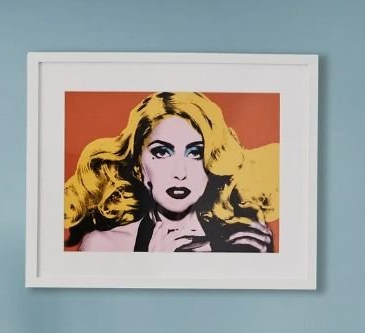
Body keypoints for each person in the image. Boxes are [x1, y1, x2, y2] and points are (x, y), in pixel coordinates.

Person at [64, 92, 278, 252]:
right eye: (162, 152)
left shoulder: (243, 241)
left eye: (195, 153)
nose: (180, 173)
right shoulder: (104, 246)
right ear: (138, 165)